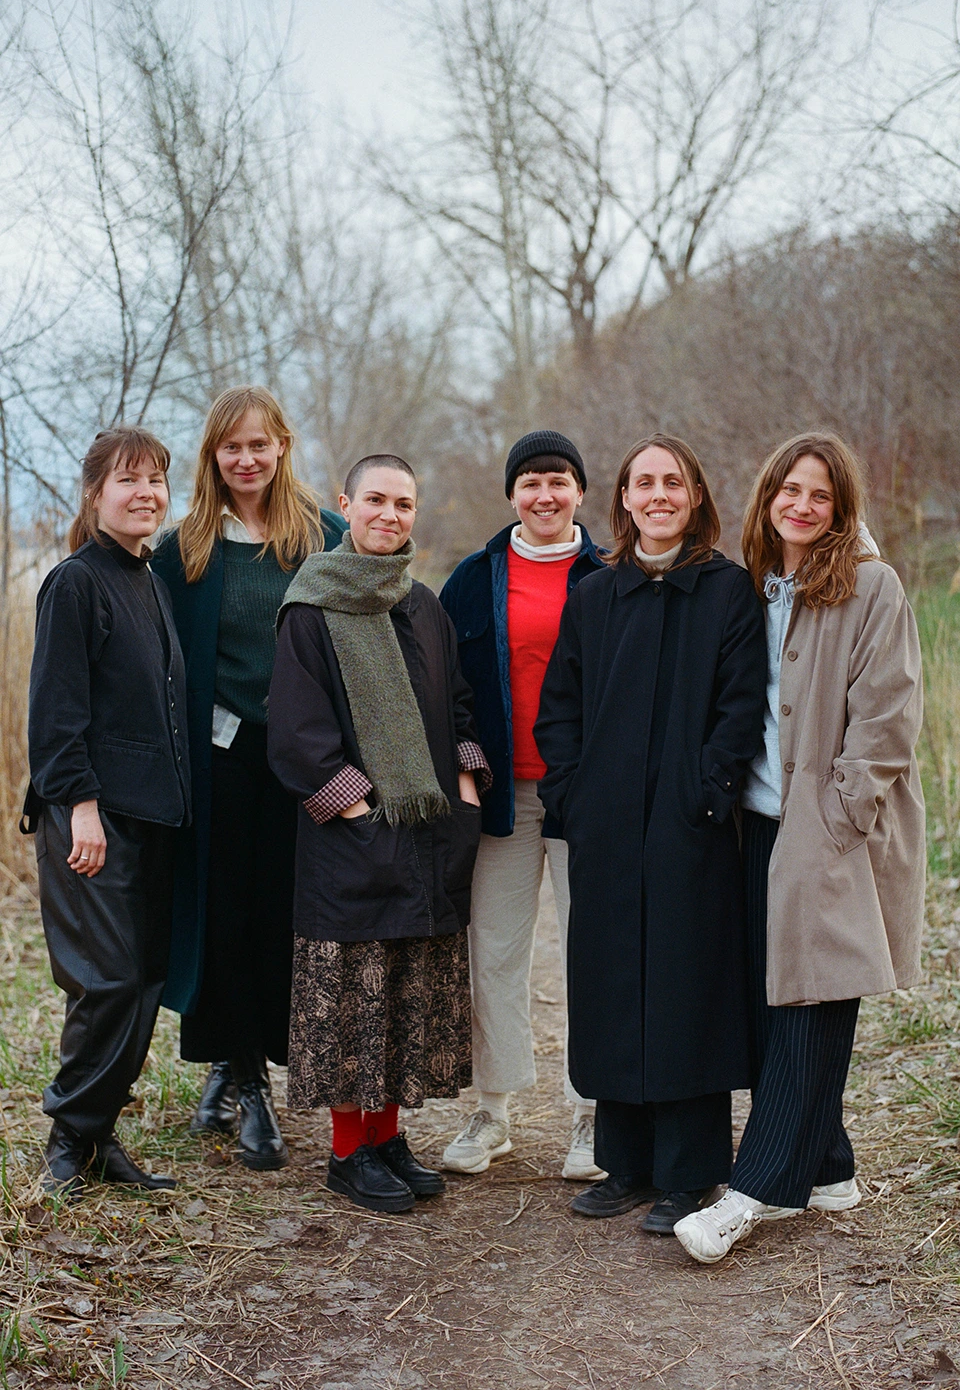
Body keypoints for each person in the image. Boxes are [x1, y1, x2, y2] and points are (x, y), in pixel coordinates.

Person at [674, 434, 925, 1263]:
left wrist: (842, 813)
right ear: (768, 497)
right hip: (758, 828)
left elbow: (888, 718)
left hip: (827, 832)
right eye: (790, 490)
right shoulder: (753, 586)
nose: (803, 506)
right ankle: (829, 1168)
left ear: (841, 507)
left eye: (821, 495)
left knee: (811, 1007)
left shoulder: (871, 586)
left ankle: (756, 1191)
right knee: (770, 997)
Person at [534, 435, 767, 1234]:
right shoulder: (595, 596)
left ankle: (689, 1173)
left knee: (685, 986)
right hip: (603, 826)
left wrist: (708, 796)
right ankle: (624, 1166)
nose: (659, 494)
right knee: (609, 985)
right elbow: (558, 707)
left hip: (689, 824)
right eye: (644, 483)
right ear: (624, 501)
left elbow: (742, 707)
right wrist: (570, 795)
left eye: (674, 482)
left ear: (696, 496)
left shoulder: (728, 592)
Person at [267, 454, 490, 1213]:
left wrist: (463, 790)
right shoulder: (310, 607)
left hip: (427, 836)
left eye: (403, 503)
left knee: (401, 999)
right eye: (376, 501)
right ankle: (345, 1153)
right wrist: (361, 816)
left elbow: (457, 703)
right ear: (346, 505)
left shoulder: (422, 603)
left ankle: (387, 1137)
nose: (390, 515)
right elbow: (297, 733)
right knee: (351, 1001)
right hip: (350, 842)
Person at [152, 386, 345, 1170]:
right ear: (213, 456)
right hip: (220, 761)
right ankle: (243, 1080)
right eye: (232, 447)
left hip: (299, 762)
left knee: (281, 916)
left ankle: (254, 1059)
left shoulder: (321, 536)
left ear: (282, 447)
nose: (247, 459)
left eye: (259, 445)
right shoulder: (186, 547)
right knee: (222, 913)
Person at [25, 427, 189, 1198]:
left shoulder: (147, 580)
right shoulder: (76, 581)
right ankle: (67, 1137)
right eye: (129, 480)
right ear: (96, 493)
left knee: (145, 980)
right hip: (91, 819)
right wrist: (80, 808)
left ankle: (96, 1138)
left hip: (152, 817)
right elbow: (56, 715)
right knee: (109, 981)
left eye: (157, 479)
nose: (146, 493)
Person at [438, 431, 607, 1180]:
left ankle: (593, 1116)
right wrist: (467, 768)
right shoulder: (473, 580)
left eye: (559, 481)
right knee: (494, 952)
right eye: (531, 482)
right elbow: (446, 690)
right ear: (512, 494)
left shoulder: (611, 574)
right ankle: (492, 1110)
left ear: (580, 493)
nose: (545, 495)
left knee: (592, 955)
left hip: (586, 795)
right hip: (502, 796)